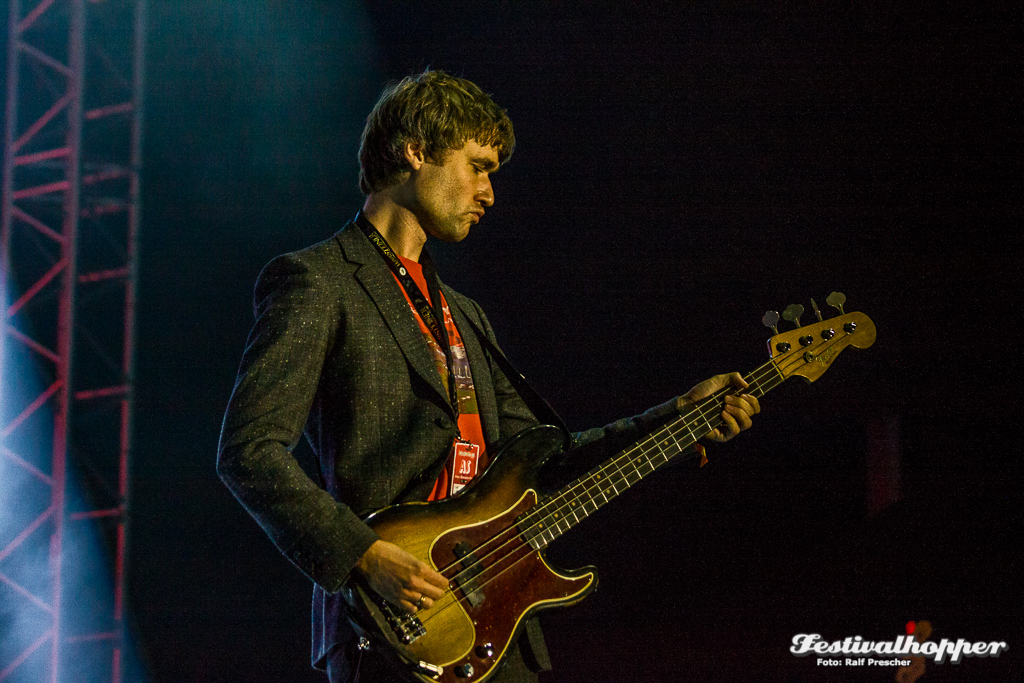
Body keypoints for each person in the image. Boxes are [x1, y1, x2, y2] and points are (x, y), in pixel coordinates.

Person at [217, 69, 760, 683]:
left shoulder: (464, 315)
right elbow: (249, 452)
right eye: (478, 166)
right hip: (392, 625)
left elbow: (546, 461)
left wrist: (682, 414)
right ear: (414, 151)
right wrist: (362, 556)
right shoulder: (318, 281)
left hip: (500, 631)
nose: (490, 193)